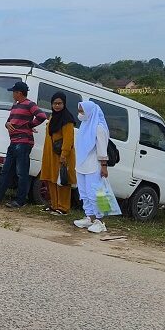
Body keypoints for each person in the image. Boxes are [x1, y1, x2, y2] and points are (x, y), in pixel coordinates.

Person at [0, 81, 47, 208]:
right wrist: (7, 124)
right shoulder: (15, 106)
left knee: (21, 173)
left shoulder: (29, 104)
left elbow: (41, 116)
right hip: (14, 142)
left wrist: (29, 125)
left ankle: (20, 201)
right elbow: (9, 121)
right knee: (6, 171)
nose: (12, 94)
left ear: (19, 93)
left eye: (14, 92)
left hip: (23, 143)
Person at [73, 101, 110, 233]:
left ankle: (100, 221)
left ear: (90, 111)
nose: (80, 114)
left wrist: (104, 166)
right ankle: (90, 217)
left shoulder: (99, 127)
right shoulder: (85, 125)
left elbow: (102, 148)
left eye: (82, 111)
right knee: (84, 193)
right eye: (79, 111)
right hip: (82, 164)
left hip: (94, 165)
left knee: (96, 194)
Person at [39, 92, 77, 216]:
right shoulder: (53, 117)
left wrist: (64, 155)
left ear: (64, 104)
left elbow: (68, 139)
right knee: (51, 179)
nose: (57, 106)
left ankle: (63, 207)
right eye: (54, 103)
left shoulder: (67, 119)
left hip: (62, 155)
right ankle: (54, 205)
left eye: (59, 103)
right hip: (50, 154)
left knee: (63, 181)